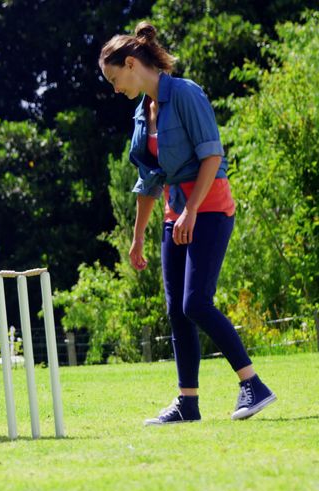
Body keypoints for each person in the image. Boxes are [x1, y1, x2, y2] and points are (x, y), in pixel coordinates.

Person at [99, 23, 276, 425]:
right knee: (176, 311)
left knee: (195, 302)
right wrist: (137, 237)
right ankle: (188, 403)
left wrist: (192, 209)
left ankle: (253, 385)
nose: (114, 88)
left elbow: (212, 155)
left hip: (208, 206)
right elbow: (148, 178)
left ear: (131, 64)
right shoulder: (143, 113)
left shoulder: (187, 94)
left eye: (114, 78)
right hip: (172, 212)